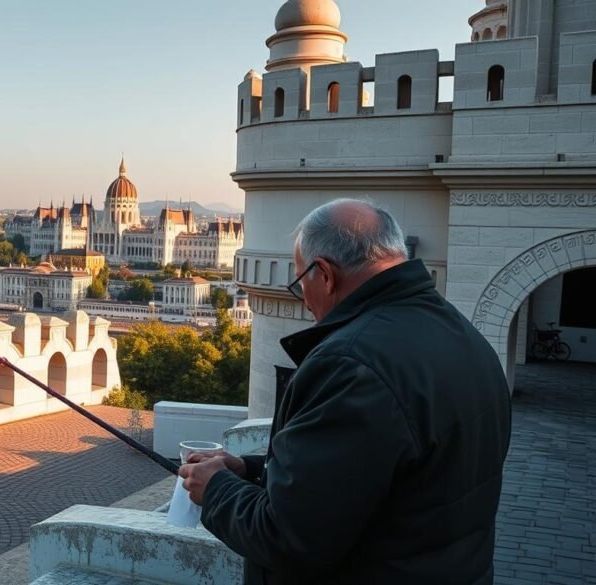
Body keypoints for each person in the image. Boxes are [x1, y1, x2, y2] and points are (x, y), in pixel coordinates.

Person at [179, 199, 512, 585]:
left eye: (300, 282)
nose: (303, 299)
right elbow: (377, 472)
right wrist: (250, 471)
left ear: (324, 274)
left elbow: (288, 538)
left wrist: (215, 489)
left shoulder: (351, 365)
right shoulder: (462, 335)